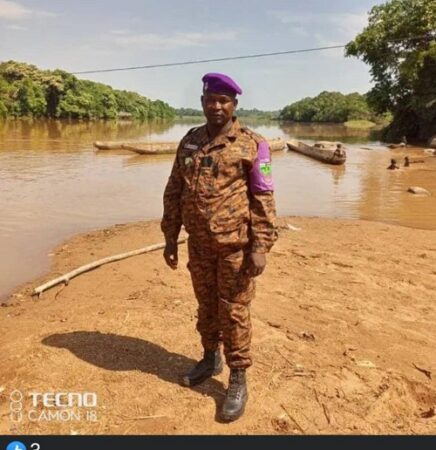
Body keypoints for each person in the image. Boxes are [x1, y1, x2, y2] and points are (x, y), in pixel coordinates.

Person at [161, 72, 278, 422]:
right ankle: (210, 357)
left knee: (234, 310)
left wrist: (261, 245)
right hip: (198, 245)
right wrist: (170, 235)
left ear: (234, 105)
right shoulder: (190, 140)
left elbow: (264, 196)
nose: (216, 106)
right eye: (210, 99)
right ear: (202, 102)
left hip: (235, 248)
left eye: (223, 100)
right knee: (206, 304)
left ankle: (238, 376)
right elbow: (174, 188)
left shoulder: (254, 144)